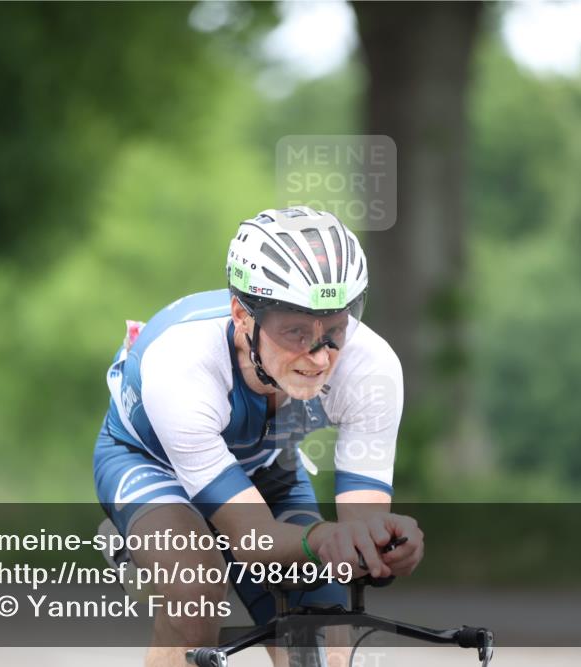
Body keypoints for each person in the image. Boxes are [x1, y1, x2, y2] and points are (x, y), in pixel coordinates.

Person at [93, 206, 423, 666]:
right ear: (242, 316)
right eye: (295, 331)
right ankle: (149, 544)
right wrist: (321, 539)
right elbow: (253, 539)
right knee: (196, 586)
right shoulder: (183, 365)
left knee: (325, 621)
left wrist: (380, 548)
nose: (320, 356)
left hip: (265, 464)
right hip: (152, 463)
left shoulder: (372, 366)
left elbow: (359, 528)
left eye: (334, 329)